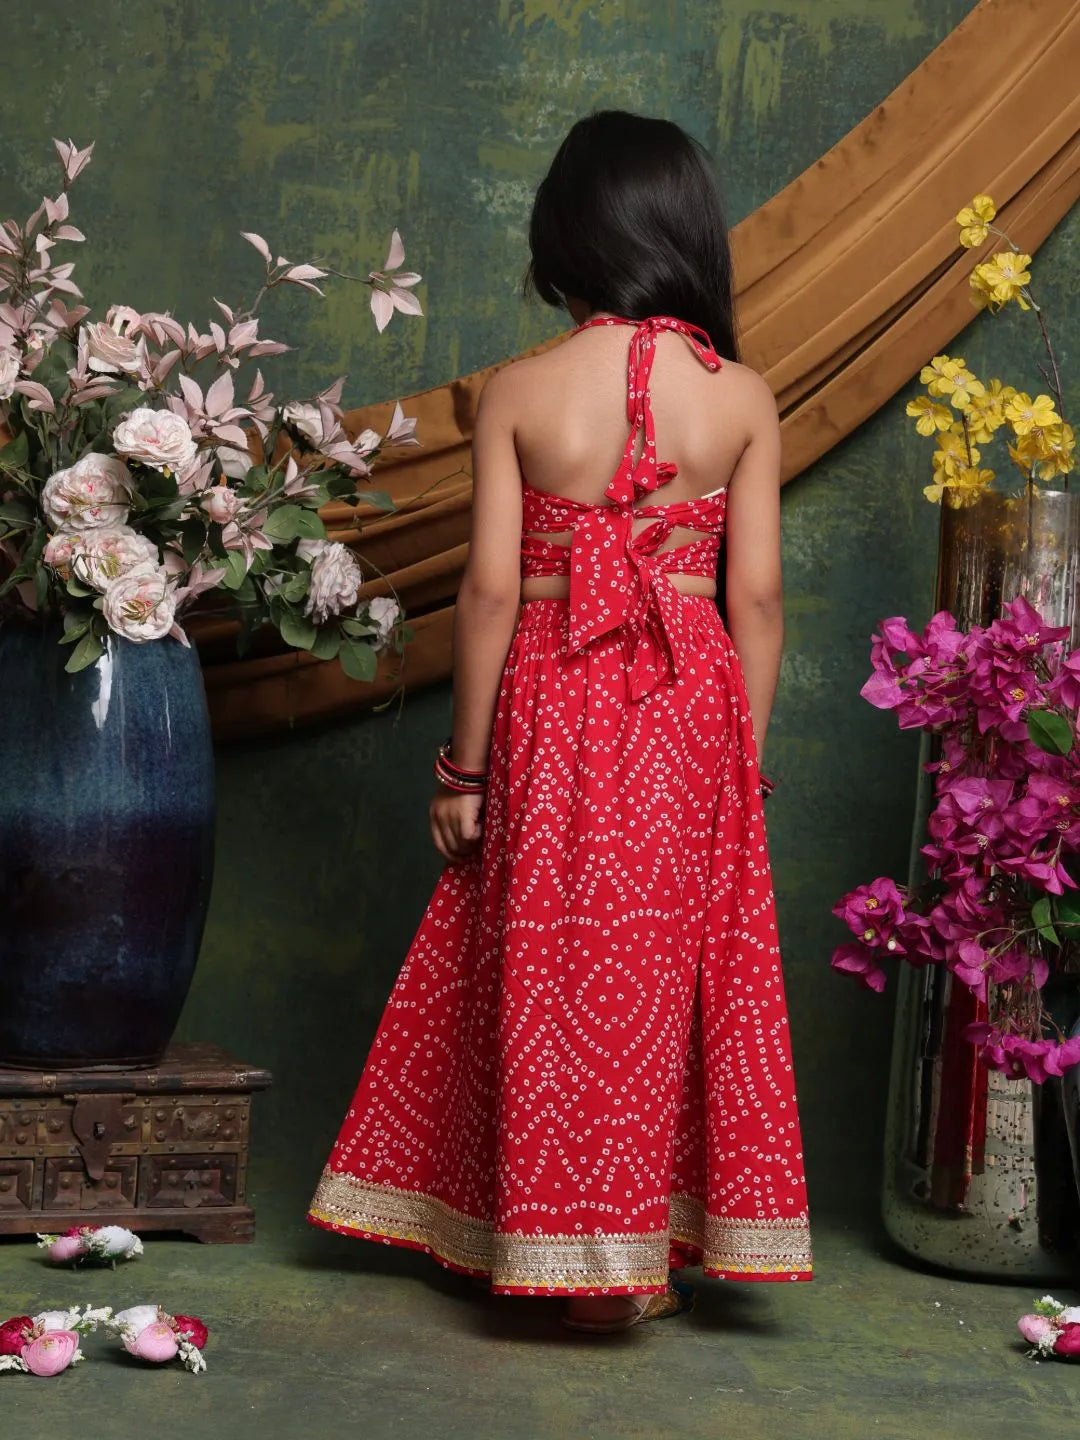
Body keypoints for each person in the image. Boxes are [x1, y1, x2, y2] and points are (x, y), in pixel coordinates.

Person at [308, 109, 812, 1332]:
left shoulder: (520, 392)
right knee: (662, 973)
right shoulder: (742, 399)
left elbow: (488, 594)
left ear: (566, 241)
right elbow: (755, 600)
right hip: (690, 707)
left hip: (553, 696)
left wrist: (464, 771)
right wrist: (740, 763)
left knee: (552, 962)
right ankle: (630, 1261)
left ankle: (556, 1248)